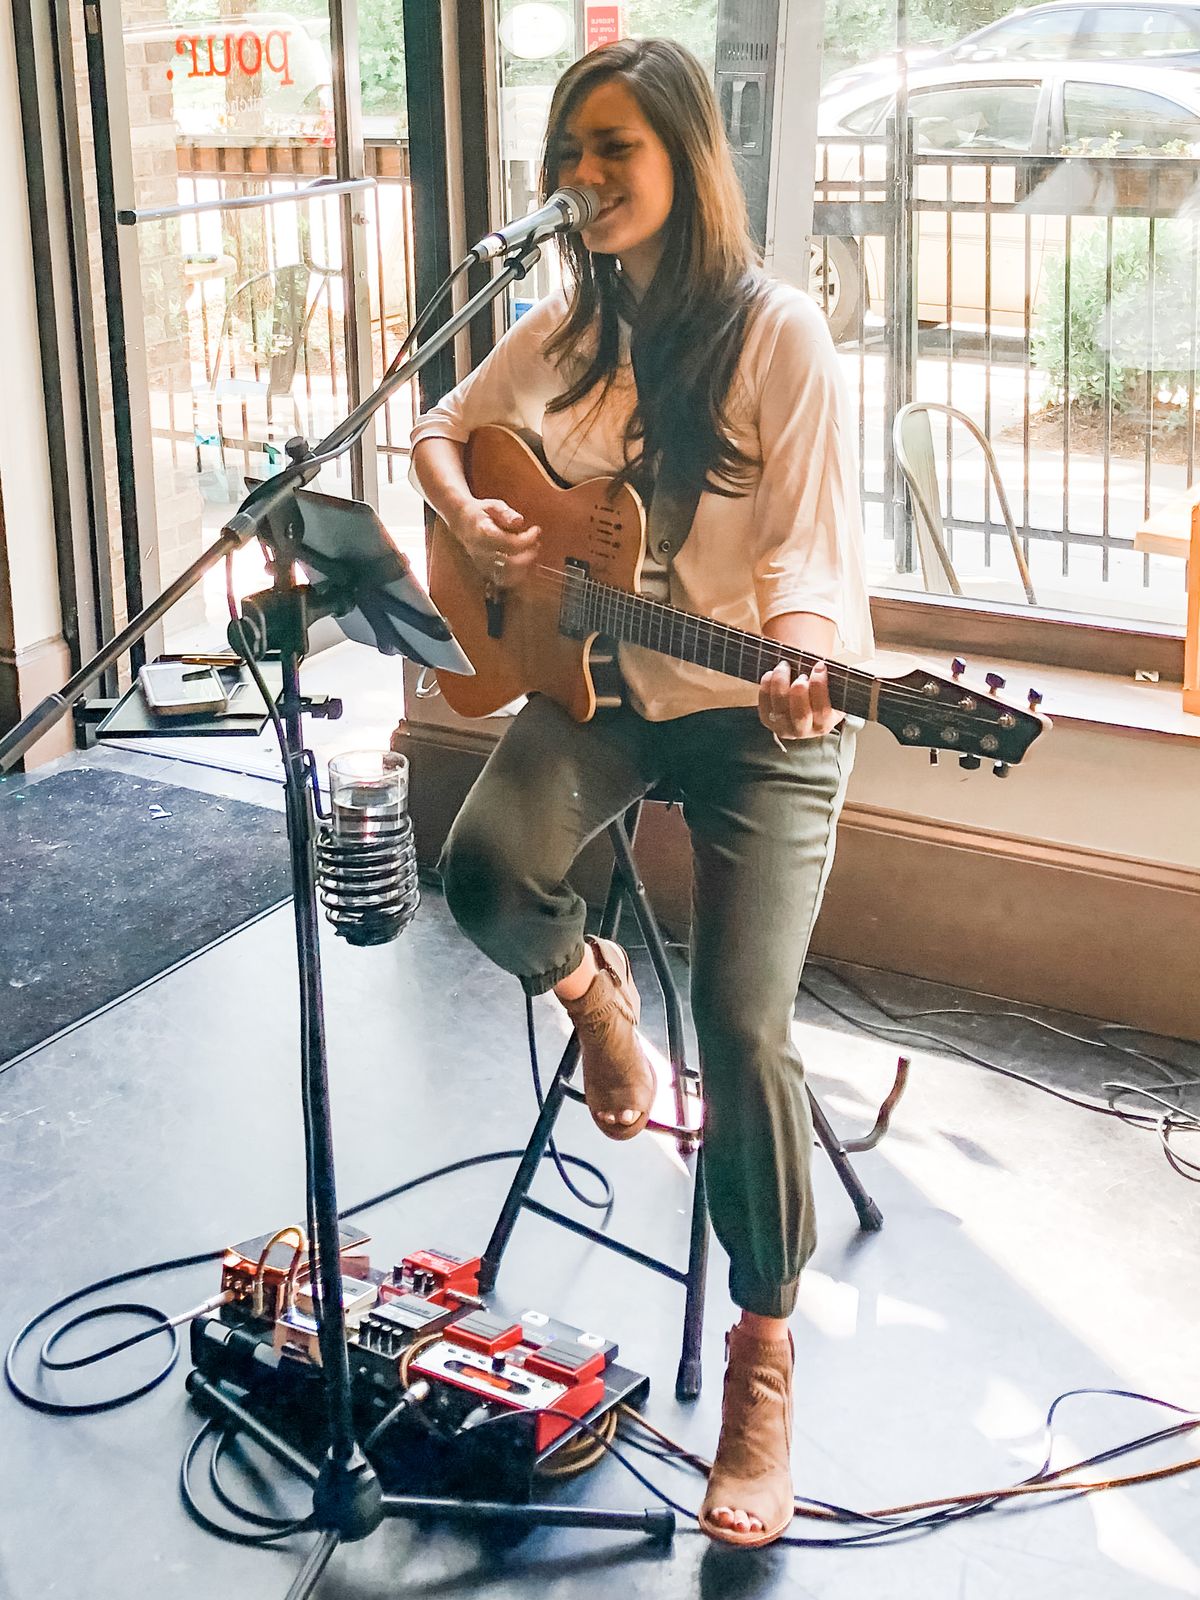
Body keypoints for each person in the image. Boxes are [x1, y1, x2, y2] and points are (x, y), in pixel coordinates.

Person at [409, 37, 872, 1549]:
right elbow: (436, 429)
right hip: (609, 691)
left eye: (616, 148)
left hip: (761, 720)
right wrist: (479, 524)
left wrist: (798, 654)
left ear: (686, 159)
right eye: (570, 153)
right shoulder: (567, 331)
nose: (587, 177)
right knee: (484, 871)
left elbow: (806, 551)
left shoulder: (777, 334)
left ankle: (763, 1353)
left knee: (743, 1029)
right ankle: (597, 999)